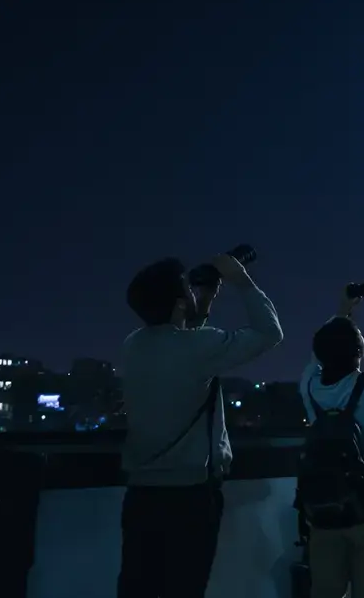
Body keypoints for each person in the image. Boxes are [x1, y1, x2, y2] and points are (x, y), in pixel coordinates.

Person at [119, 253, 283, 598]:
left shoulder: (132, 346)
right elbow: (269, 333)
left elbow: (179, 350)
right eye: (188, 291)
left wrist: (202, 302)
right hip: (189, 500)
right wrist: (241, 278)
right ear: (179, 305)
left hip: (141, 497)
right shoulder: (197, 347)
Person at [300, 278, 364, 598]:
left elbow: (322, 352)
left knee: (325, 591)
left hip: (322, 505)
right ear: (360, 353)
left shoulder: (309, 387)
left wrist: (343, 310)